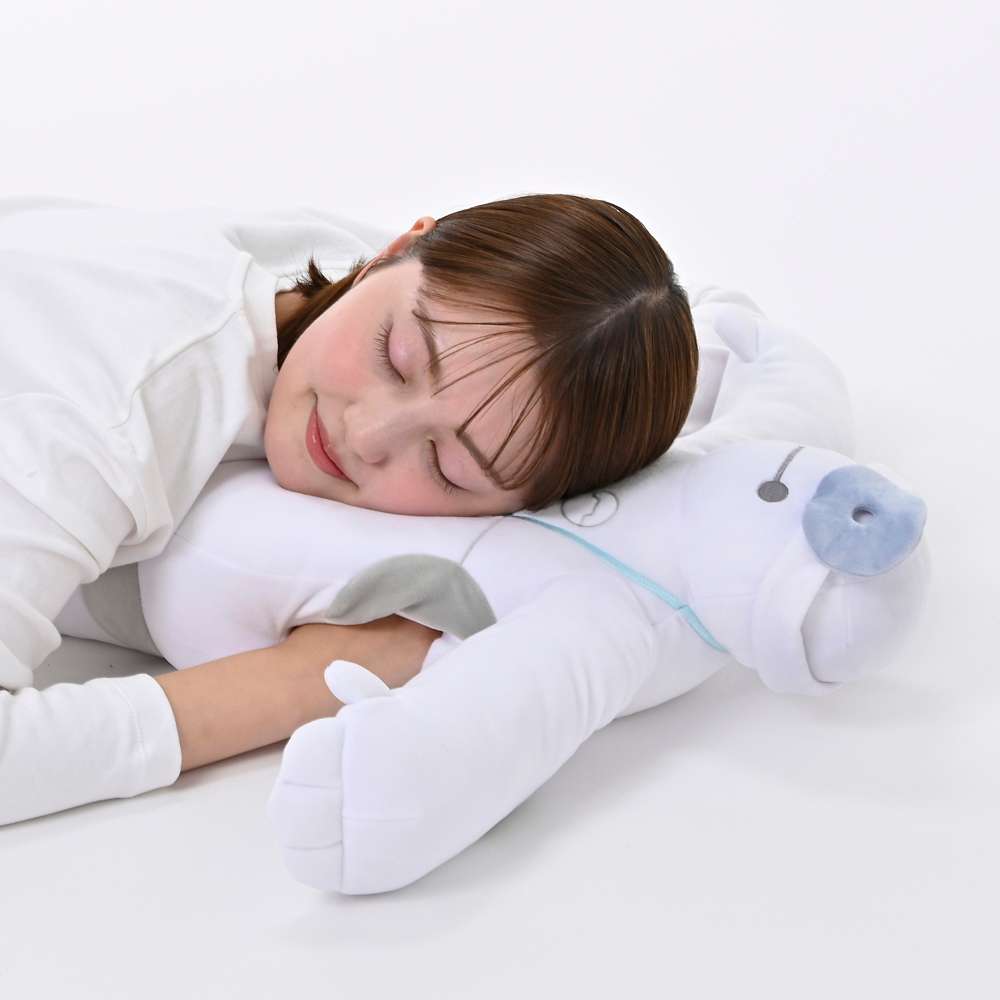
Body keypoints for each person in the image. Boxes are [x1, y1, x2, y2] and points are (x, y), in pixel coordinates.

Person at [0, 193, 698, 824]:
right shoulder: (109, 418)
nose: (366, 435)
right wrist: (305, 679)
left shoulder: (358, 286)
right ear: (393, 250)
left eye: (448, 467)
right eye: (397, 358)